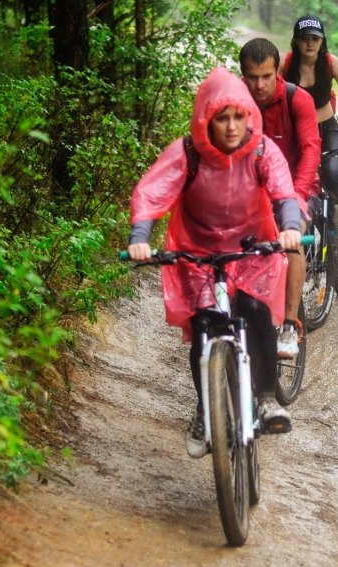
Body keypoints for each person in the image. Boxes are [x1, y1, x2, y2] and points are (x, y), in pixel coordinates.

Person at [128, 66, 303, 458]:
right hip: (198, 253)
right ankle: (206, 410)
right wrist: (140, 239)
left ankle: (266, 397)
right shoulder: (187, 152)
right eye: (221, 118)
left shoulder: (260, 149)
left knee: (255, 311)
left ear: (248, 116)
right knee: (205, 323)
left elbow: (283, 192)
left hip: (250, 247)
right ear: (206, 119)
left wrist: (289, 227)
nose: (230, 127)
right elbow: (151, 194)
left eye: (237, 116)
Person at [239, 37, 320, 360]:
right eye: (252, 77)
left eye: (266, 77)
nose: (259, 85)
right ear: (242, 75)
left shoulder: (296, 99)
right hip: (253, 190)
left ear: (278, 73)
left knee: (292, 238)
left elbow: (312, 149)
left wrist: (297, 198)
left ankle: (289, 323)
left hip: (296, 188)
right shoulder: (237, 103)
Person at [283, 14, 338, 240]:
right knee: (297, 181)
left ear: (322, 41)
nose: (310, 43)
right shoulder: (287, 64)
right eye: (304, 38)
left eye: (315, 38)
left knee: (331, 174)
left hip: (326, 129)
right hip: (297, 133)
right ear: (296, 41)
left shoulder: (331, 62)